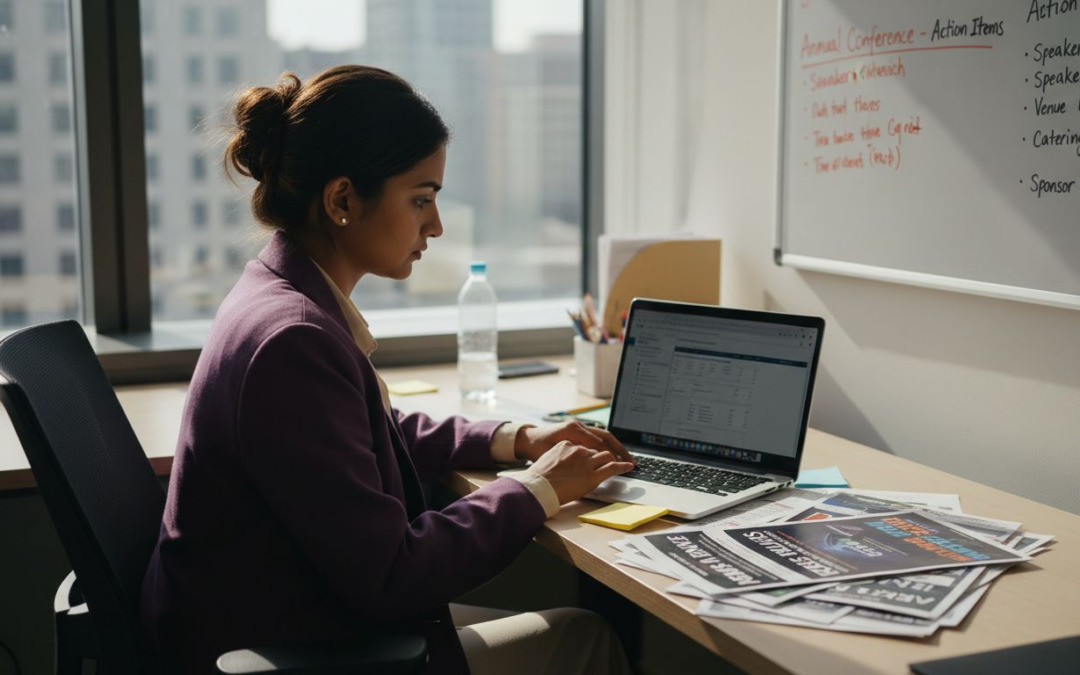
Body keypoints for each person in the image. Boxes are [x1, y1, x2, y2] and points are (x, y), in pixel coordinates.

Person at [139, 65, 636, 675]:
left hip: (269, 615)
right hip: (288, 646)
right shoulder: (295, 340)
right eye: (421, 199)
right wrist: (541, 487)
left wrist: (518, 440)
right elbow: (394, 576)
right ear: (343, 199)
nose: (436, 225)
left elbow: (371, 432)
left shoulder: (277, 290)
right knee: (587, 639)